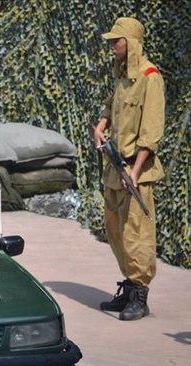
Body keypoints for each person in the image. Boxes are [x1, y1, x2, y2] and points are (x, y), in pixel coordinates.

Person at [92, 17, 165, 321]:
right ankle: (130, 287)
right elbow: (112, 104)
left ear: (131, 43)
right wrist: (101, 125)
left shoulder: (150, 77)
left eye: (116, 41)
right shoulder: (122, 76)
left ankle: (139, 296)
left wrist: (134, 172)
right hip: (115, 166)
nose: (111, 46)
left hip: (136, 170)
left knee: (136, 232)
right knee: (115, 229)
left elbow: (152, 130)